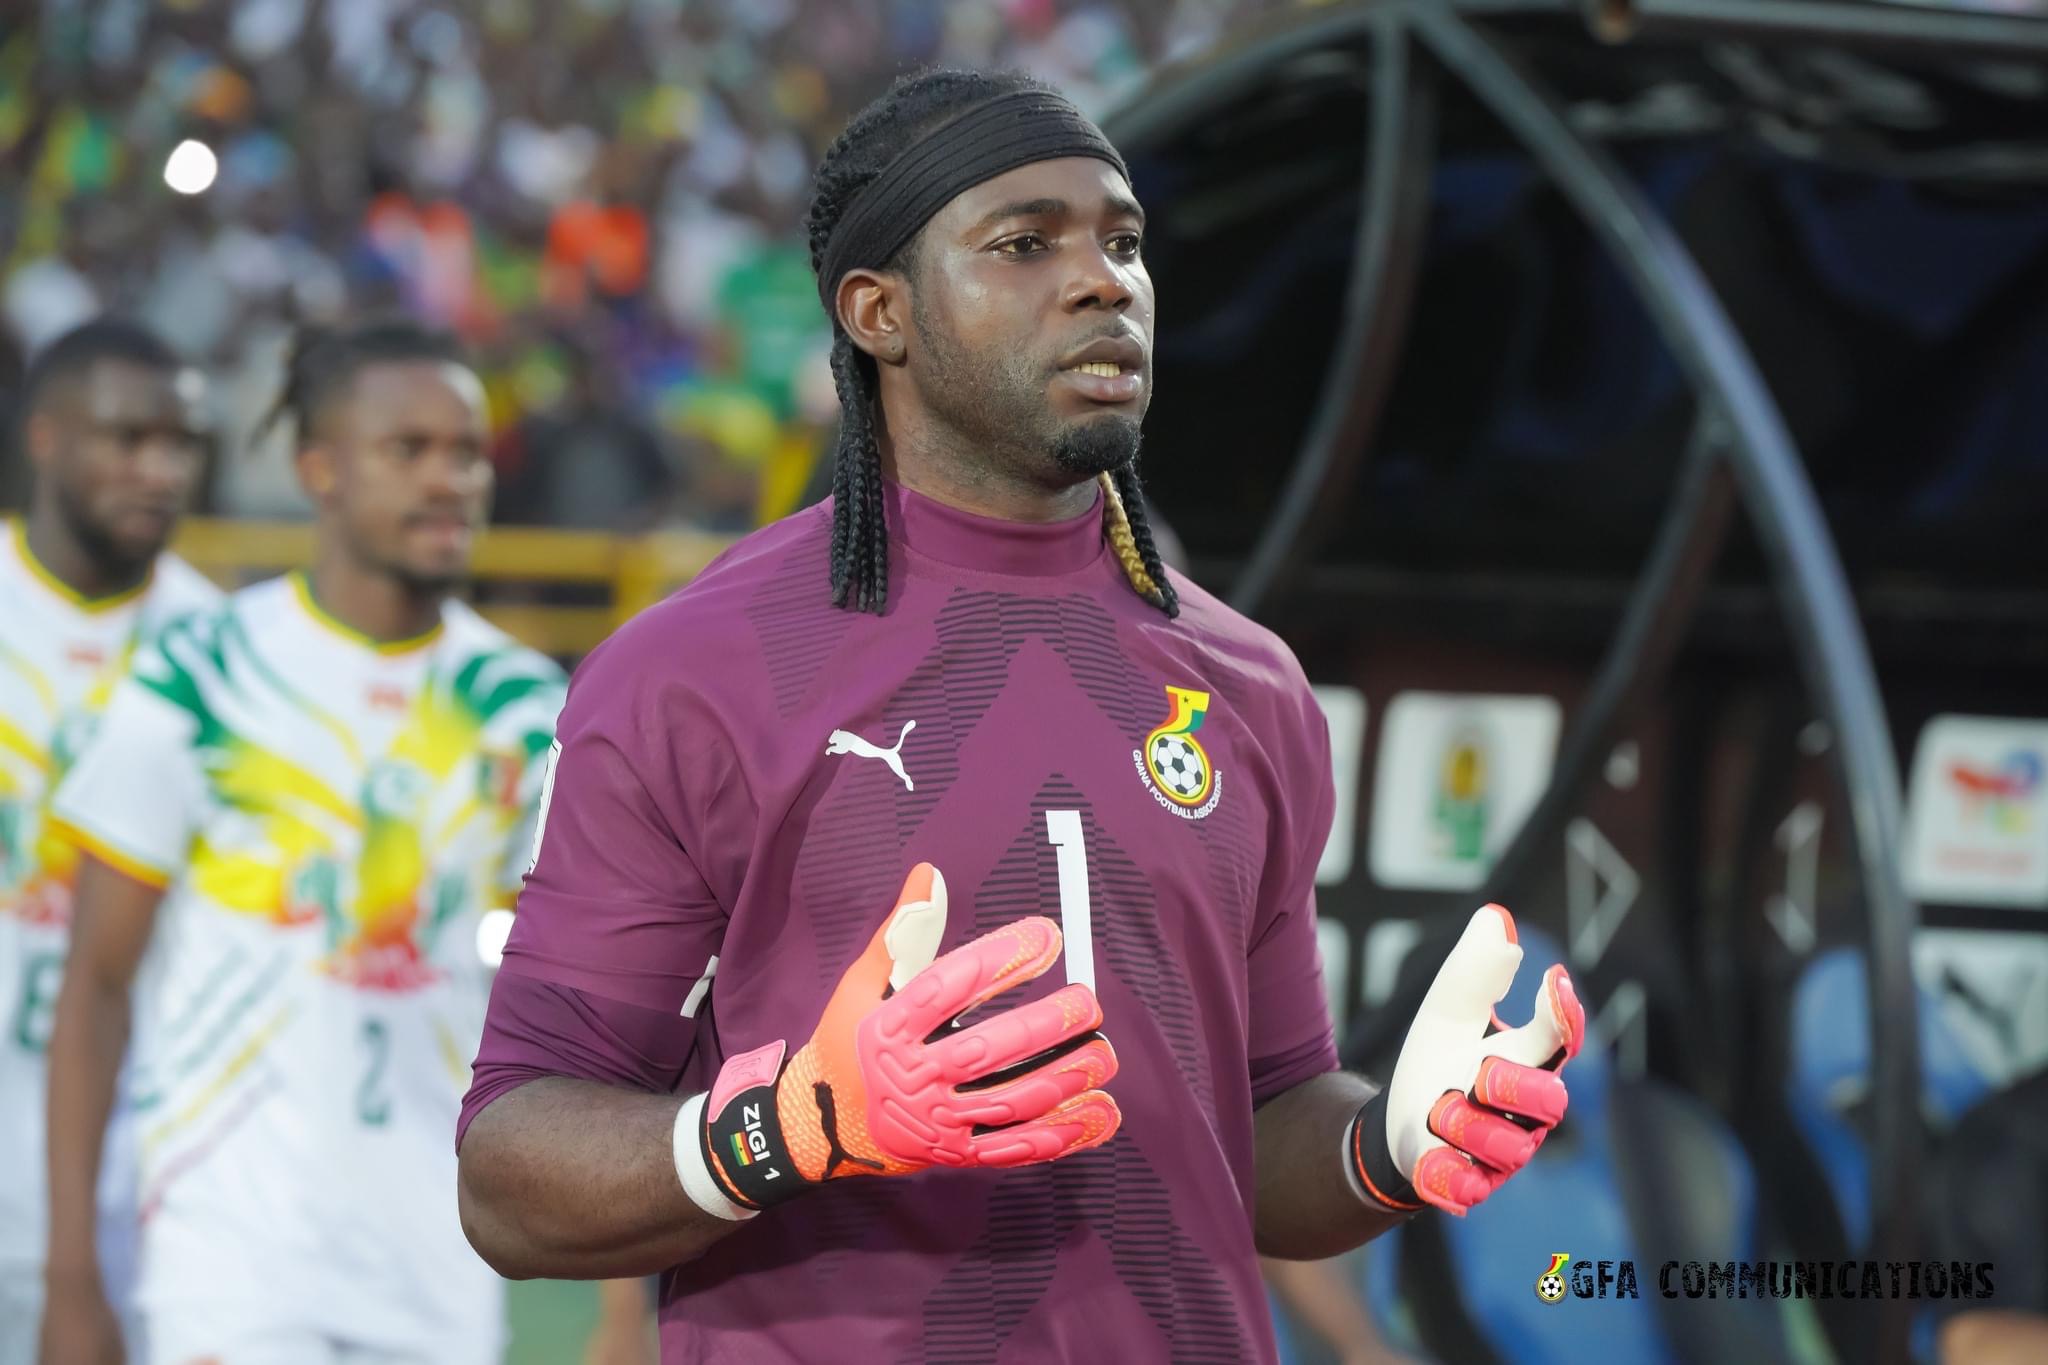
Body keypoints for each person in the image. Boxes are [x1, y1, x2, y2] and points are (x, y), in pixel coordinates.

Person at [455, 69, 1586, 1363]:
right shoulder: (692, 671)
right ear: (878, 312)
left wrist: (1383, 1143)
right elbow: (510, 1176)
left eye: (1123, 241)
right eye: (1024, 244)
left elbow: (1259, 1131)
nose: (1103, 282)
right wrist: (789, 1125)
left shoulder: (1250, 684)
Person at [36, 319, 569, 1365]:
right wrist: (72, 1274)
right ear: (318, 468)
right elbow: (95, 984)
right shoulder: (199, 675)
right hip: (229, 1254)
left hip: (440, 1259)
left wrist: (621, 1301)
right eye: (408, 450)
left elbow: (573, 1008)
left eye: (467, 453)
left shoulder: (524, 707)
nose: (449, 480)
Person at [0, 319, 218, 1365]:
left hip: (151, 1200)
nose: (161, 470)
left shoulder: (223, 656)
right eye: (129, 438)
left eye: (180, 444)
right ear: (45, 437)